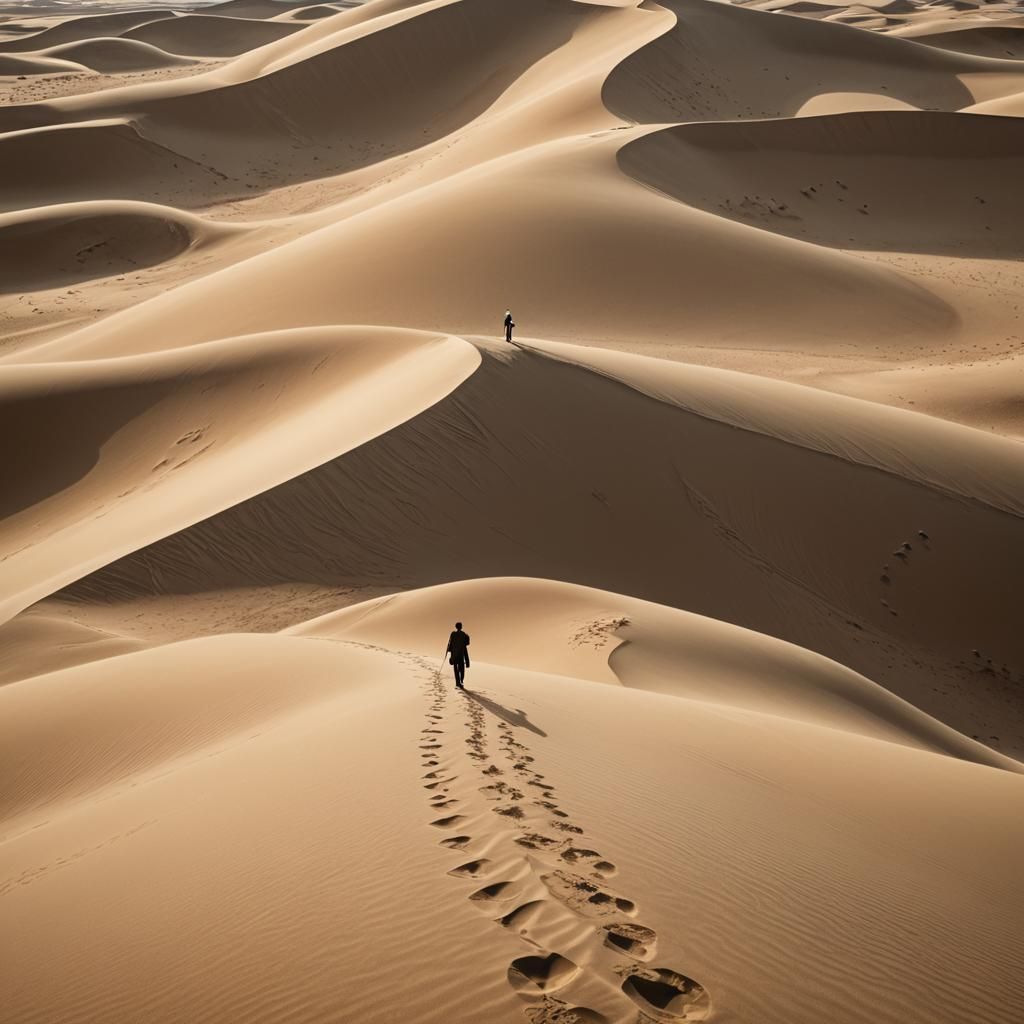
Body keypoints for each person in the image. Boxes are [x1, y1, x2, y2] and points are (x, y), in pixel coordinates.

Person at [447, 621, 470, 690]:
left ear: (456, 627)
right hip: (461, 654)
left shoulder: (453, 634)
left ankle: (458, 682)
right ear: (461, 627)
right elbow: (467, 643)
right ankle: (461, 681)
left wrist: (450, 652)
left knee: (456, 669)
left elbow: (450, 644)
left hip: (454, 655)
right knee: (461, 669)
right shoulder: (464, 635)